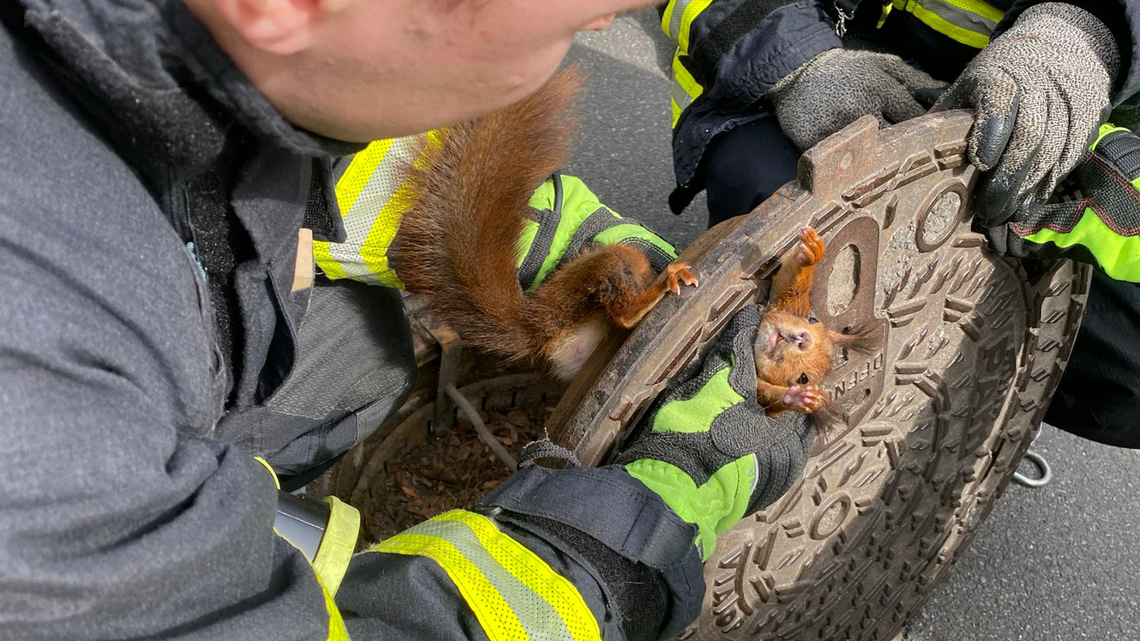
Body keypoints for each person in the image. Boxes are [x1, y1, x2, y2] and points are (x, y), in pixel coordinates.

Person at [0, 1, 817, 640]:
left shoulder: (185, 49)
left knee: (367, 349)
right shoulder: (47, 410)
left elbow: (362, 163)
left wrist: (552, 242)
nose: (604, 25)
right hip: (94, 547)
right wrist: (631, 532)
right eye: (572, 16)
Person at [660, 0, 1140, 447]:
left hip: (1021, 79)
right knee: (794, 230)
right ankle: (744, 420)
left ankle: (966, 391)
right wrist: (792, 63)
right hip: (802, 56)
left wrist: (1083, 37)